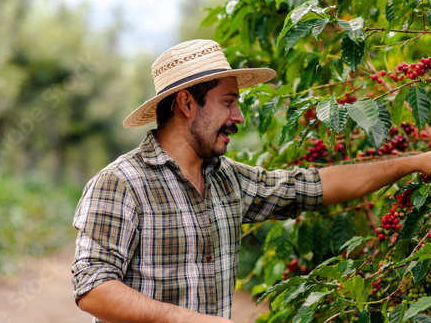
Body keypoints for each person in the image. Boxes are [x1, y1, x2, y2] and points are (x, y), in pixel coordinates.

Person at [71, 39, 431, 323]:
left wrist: (414, 162)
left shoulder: (229, 179)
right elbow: (93, 288)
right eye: (228, 102)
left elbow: (315, 186)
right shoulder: (121, 183)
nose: (238, 117)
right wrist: (185, 319)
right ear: (186, 103)